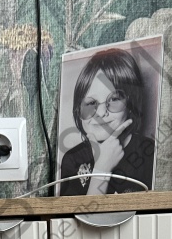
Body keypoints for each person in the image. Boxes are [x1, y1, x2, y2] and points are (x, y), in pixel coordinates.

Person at [59, 47, 156, 196]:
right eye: (91, 103)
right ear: (78, 109)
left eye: (114, 99)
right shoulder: (72, 160)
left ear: (131, 105)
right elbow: (84, 212)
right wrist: (102, 169)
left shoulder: (149, 152)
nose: (101, 113)